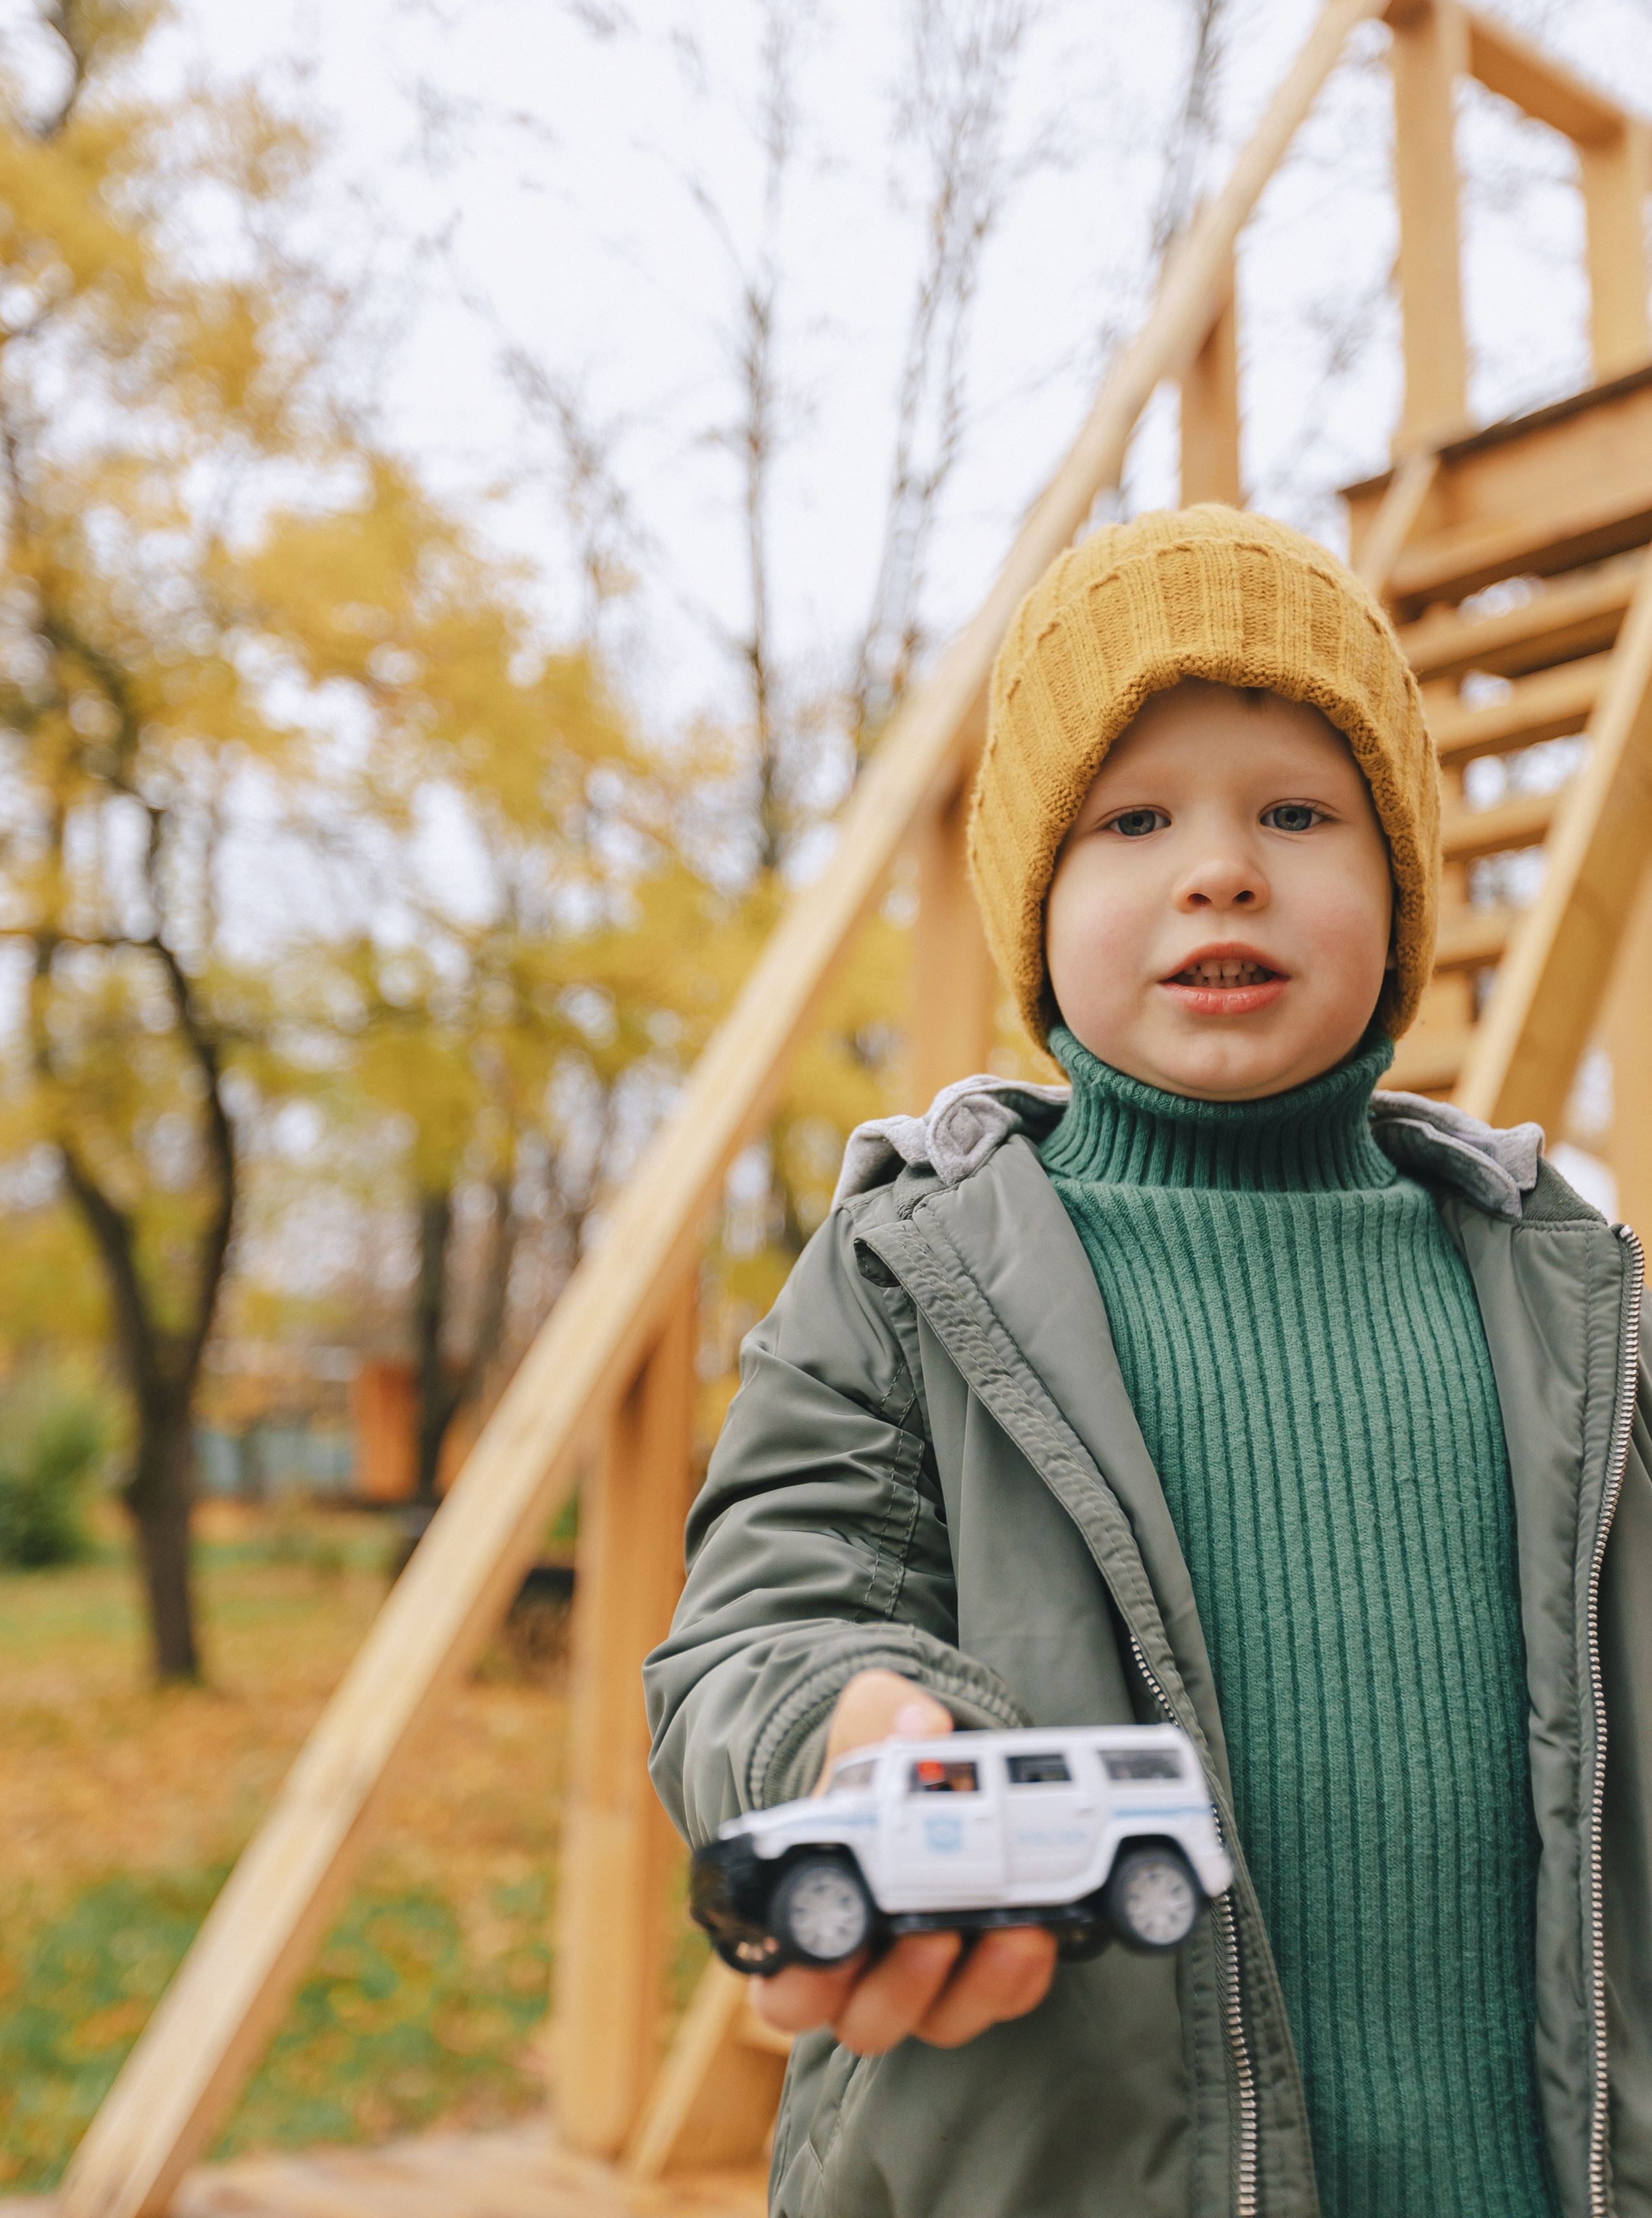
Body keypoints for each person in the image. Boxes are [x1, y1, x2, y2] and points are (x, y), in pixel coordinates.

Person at [644, 504, 1652, 2218]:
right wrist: (853, 1728)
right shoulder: (914, 1265)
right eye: (1133, 820)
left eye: (1296, 812)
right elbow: (760, 1623)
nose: (1222, 868)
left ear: (1401, 893)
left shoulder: (1565, 1281)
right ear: (1036, 909)